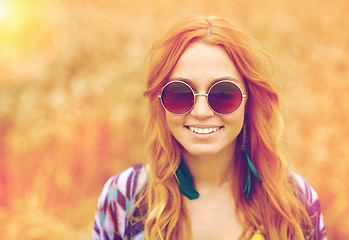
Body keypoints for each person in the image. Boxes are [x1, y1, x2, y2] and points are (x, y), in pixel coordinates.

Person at [92, 15, 327, 240]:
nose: (201, 112)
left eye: (224, 94)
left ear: (249, 102)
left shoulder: (295, 203)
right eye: (181, 93)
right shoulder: (124, 196)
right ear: (161, 103)